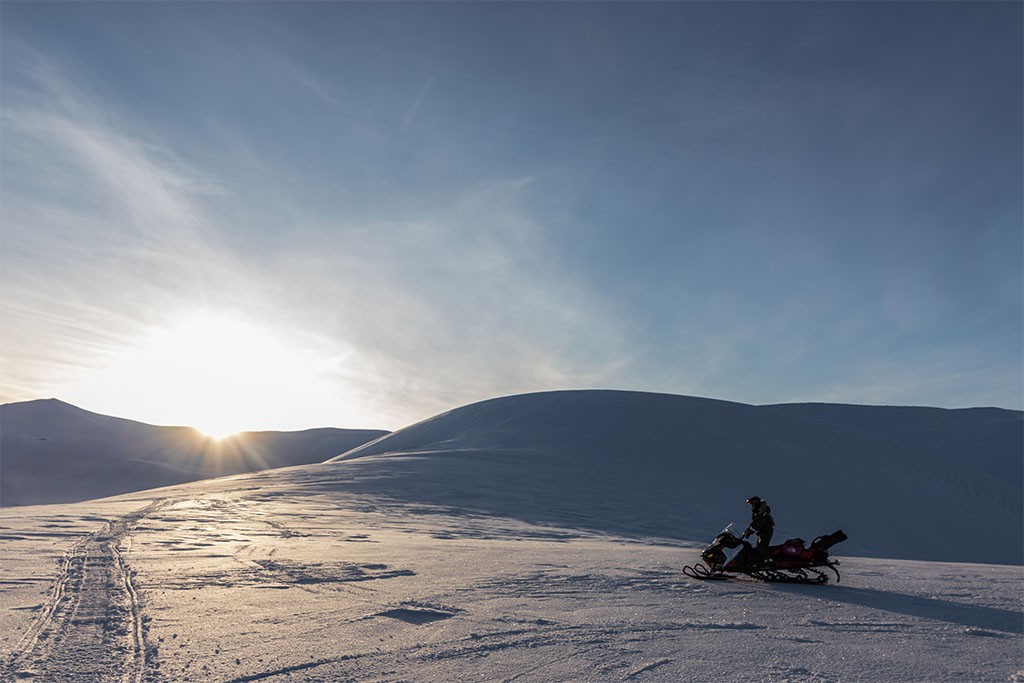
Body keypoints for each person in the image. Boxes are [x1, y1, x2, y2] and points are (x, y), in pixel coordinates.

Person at [742, 496, 775, 566]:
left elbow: (758, 524)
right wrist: (747, 530)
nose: (751, 507)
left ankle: (769, 562)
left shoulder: (763, 512)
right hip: (762, 531)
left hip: (766, 530)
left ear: (756, 504)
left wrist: (750, 531)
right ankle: (761, 562)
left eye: (752, 505)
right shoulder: (758, 512)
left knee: (762, 546)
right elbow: (754, 523)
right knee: (758, 547)